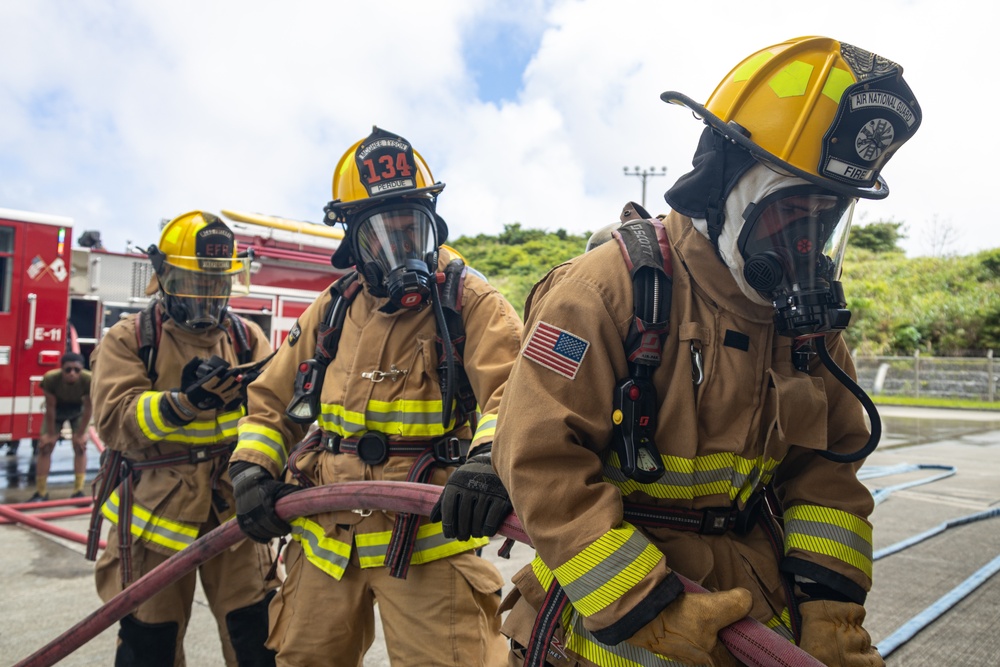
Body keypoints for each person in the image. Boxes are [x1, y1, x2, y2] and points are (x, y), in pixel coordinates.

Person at [493, 36, 921, 667]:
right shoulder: (601, 292)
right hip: (603, 632)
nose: (805, 247)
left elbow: (828, 476)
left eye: (824, 219)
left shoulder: (807, 325)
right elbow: (539, 462)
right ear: (725, 184)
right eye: (789, 214)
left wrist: (829, 611)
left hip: (753, 610)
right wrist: (647, 608)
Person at [230, 126, 523, 666]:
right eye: (381, 237)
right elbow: (269, 400)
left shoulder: (471, 303)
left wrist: (487, 463)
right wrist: (252, 469)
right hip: (325, 546)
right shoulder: (333, 309)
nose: (402, 252)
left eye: (413, 230)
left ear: (434, 226)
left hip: (429, 544)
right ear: (353, 244)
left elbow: (516, 394)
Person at [88, 211, 279, 666]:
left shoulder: (247, 337)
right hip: (154, 519)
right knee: (149, 646)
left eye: (217, 285)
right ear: (164, 277)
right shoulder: (130, 339)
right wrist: (182, 403)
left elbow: (273, 411)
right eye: (195, 284)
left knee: (258, 637)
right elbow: (115, 419)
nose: (208, 300)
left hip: (235, 513)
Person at [30, 352, 93, 501]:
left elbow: (88, 408)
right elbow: (50, 407)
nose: (72, 373)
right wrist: (51, 435)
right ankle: (41, 493)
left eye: (77, 370)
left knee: (80, 447)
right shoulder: (51, 379)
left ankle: (78, 491)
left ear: (82, 370)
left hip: (78, 410)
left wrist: (80, 435)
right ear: (62, 369)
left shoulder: (88, 379)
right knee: (45, 447)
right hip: (56, 410)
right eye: (68, 370)